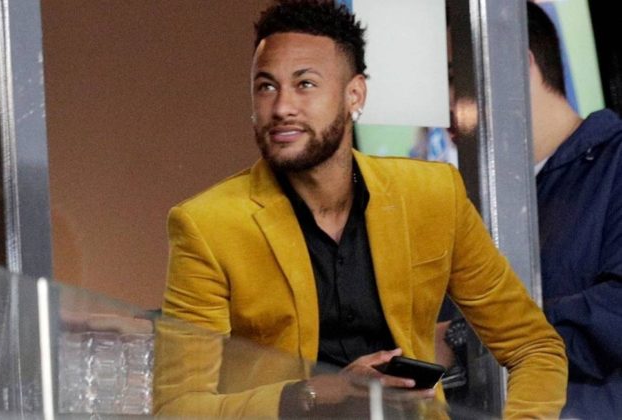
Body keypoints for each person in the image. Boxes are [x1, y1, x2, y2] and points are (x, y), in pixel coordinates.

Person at [158, 1, 567, 418]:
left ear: (355, 94)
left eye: (305, 84)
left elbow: (534, 346)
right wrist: (315, 393)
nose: (281, 107)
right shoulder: (207, 226)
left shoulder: (432, 195)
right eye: (266, 86)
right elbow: (178, 409)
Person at [527, 2, 622, 418]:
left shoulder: (615, 161)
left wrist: (468, 340)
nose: (450, 116)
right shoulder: (493, 200)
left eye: (456, 81)